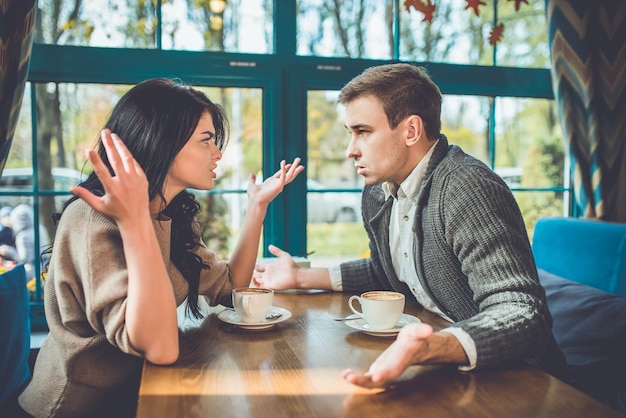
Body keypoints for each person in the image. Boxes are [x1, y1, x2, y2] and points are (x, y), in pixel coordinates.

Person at [252, 63, 567, 388]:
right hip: (446, 363)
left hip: (519, 376)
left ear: (411, 131)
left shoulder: (467, 188)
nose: (350, 150)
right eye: (350, 133)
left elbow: (523, 312)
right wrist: (301, 278)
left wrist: (429, 348)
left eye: (363, 131)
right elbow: (388, 270)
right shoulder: (377, 192)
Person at [15, 78, 303, 418]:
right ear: (162, 143)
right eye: (206, 141)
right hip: (77, 406)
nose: (218, 154)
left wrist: (257, 208)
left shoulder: (171, 212)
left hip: (138, 390)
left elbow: (230, 288)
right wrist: (137, 220)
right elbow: (160, 348)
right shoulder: (93, 219)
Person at [0, 203, 50, 280]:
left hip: (33, 271)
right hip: (45, 266)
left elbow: (24, 260)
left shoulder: (22, 236)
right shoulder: (40, 228)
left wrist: (9, 251)